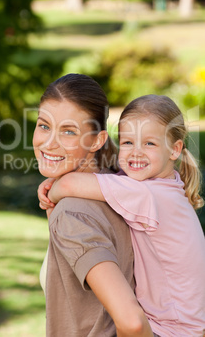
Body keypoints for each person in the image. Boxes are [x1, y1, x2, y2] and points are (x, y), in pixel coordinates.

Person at [39, 94, 205, 337]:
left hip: (172, 331)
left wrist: (49, 189)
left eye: (149, 143)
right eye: (127, 143)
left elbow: (69, 185)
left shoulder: (147, 195)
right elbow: (113, 178)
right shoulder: (166, 187)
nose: (136, 153)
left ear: (175, 149)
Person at [33, 74, 154, 337]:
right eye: (44, 126)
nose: (48, 142)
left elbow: (132, 322)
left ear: (97, 141)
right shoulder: (119, 188)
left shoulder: (73, 213)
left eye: (68, 131)